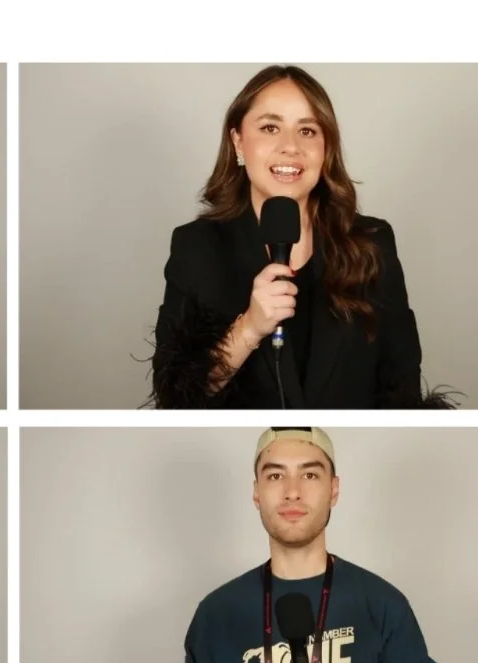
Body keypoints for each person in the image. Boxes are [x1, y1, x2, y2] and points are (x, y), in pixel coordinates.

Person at [150, 65, 452, 409]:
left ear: (326, 147)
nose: (290, 147)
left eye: (307, 131)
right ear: (238, 141)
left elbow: (402, 388)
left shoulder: (373, 243)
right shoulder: (197, 247)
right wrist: (249, 328)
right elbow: (175, 396)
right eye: (270, 128)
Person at [182, 428, 436, 663]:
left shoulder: (382, 602)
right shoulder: (217, 610)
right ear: (256, 493)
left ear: (334, 489)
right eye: (275, 476)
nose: (292, 491)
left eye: (310, 474)